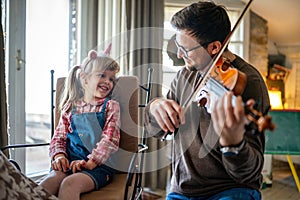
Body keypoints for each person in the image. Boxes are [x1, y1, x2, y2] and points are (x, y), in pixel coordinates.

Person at [144, 1, 270, 200]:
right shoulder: (186, 75)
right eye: (178, 46)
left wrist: (233, 145)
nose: (178, 55)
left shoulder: (247, 82)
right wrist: (154, 107)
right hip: (183, 190)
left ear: (214, 47)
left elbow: (249, 172)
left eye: (185, 49)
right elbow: (156, 130)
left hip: (231, 190)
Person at [39, 49, 121, 200]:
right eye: (102, 75)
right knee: (46, 184)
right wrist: (59, 156)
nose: (108, 82)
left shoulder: (111, 106)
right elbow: (59, 137)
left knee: (70, 184)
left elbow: (109, 141)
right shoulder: (70, 107)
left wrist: (91, 163)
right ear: (85, 79)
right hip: (69, 163)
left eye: (112, 79)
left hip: (98, 167)